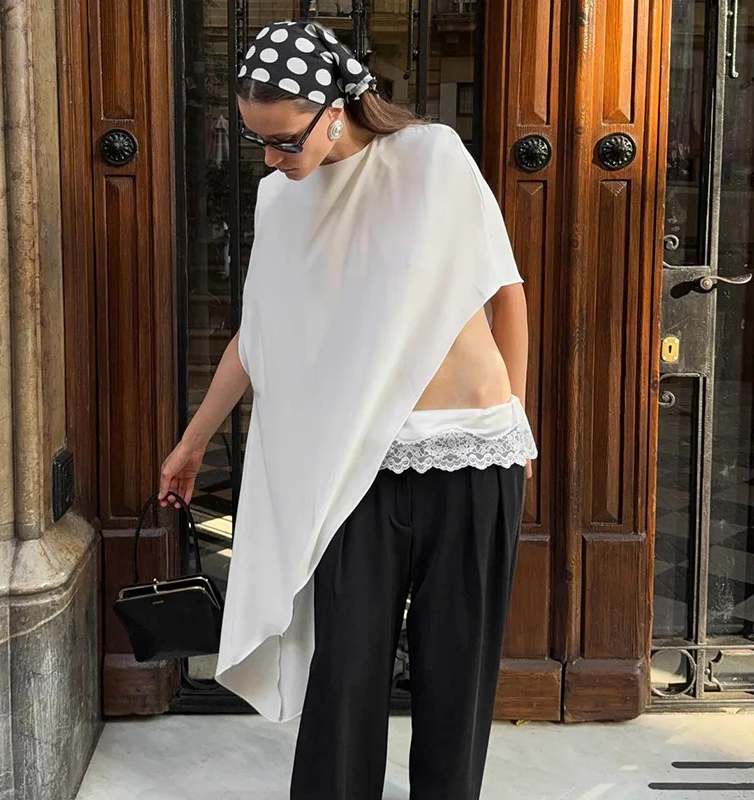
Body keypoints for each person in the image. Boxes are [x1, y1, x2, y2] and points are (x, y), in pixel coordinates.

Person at [159, 20, 537, 800]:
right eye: (258, 141)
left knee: (457, 676)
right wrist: (192, 442)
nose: (270, 158)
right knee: (345, 674)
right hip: (353, 468)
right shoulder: (279, 200)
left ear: (334, 110)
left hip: (472, 454)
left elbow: (505, 294)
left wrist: (516, 418)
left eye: (282, 140)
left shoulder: (432, 157)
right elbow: (258, 335)